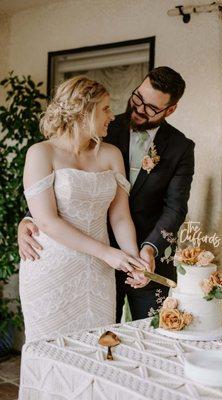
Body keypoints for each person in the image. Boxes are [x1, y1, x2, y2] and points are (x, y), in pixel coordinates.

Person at [18, 66, 195, 323]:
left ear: (170, 110)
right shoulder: (102, 129)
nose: (138, 108)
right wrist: (27, 220)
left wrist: (143, 254)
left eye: (150, 107)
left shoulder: (181, 147)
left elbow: (175, 208)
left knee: (149, 335)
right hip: (72, 258)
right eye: (138, 98)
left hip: (139, 253)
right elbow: (49, 195)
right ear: (84, 113)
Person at [19, 76, 147, 343]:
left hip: (98, 273)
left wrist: (133, 261)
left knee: (97, 350)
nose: (112, 116)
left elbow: (120, 215)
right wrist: (107, 253)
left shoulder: (111, 154)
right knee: (52, 351)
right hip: (51, 269)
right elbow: (47, 221)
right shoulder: (41, 153)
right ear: (84, 110)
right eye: (105, 108)